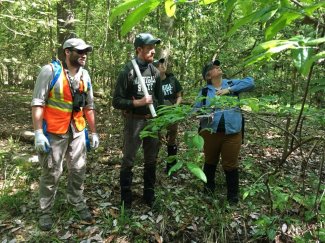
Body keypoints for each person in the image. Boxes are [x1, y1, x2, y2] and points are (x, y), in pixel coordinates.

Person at [31, 38, 99, 231]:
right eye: (79, 51)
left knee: (78, 168)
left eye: (86, 51)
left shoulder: (85, 75)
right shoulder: (50, 71)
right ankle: (45, 211)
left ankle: (76, 200)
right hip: (53, 131)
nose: (84, 54)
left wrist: (93, 132)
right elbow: (38, 102)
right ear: (67, 52)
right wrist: (38, 133)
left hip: (77, 129)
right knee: (51, 172)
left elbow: (89, 106)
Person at [112, 33, 164, 209]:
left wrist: (160, 122)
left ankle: (149, 196)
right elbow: (116, 101)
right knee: (128, 159)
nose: (153, 51)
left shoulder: (155, 72)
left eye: (153, 48)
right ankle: (126, 201)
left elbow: (160, 100)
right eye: (150, 48)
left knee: (151, 159)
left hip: (152, 122)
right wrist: (137, 102)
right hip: (133, 122)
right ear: (139, 50)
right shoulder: (128, 71)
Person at [194, 59, 254, 204]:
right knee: (210, 161)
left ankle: (233, 197)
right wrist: (203, 112)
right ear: (208, 76)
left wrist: (229, 90)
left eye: (218, 66)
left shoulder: (232, 84)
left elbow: (251, 82)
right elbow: (195, 110)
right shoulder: (204, 91)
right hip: (210, 133)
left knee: (230, 164)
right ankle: (208, 191)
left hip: (232, 133)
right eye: (214, 68)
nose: (218, 68)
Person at [153, 58, 183, 174]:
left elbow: (179, 95)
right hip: (157, 114)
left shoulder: (172, 80)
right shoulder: (153, 82)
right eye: (158, 65)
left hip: (172, 114)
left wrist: (176, 105)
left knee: (172, 139)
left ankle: (171, 167)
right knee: (156, 139)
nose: (162, 66)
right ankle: (152, 165)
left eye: (162, 64)